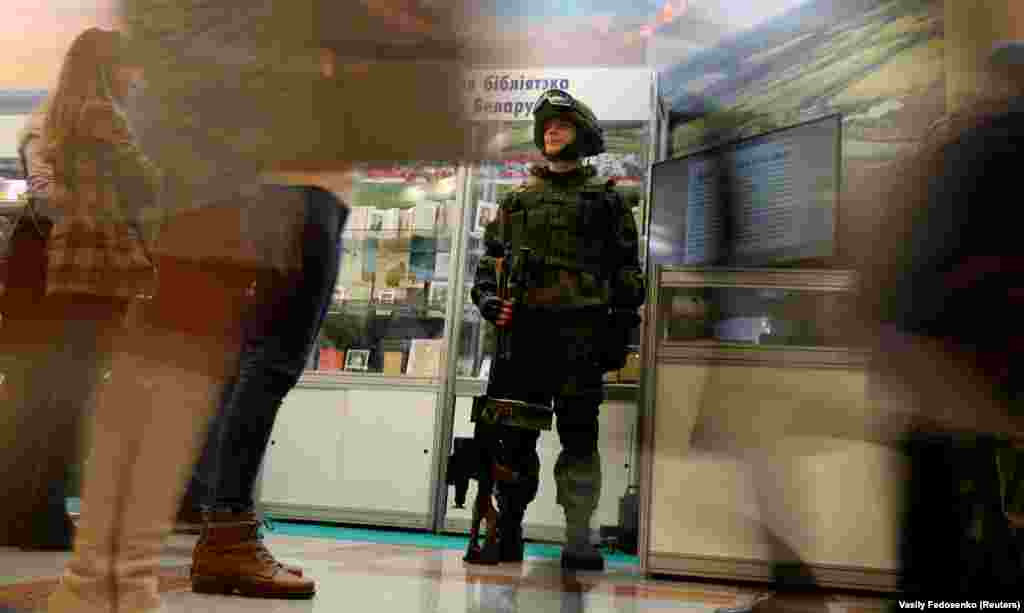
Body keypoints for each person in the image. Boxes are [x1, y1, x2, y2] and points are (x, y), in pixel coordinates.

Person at [470, 89, 645, 571]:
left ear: (583, 135)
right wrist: (490, 302)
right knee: (514, 441)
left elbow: (628, 274)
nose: (552, 131)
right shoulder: (517, 200)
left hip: (581, 337)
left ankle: (577, 536)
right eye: (547, 126)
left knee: (579, 439)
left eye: (563, 125)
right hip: (522, 338)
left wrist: (617, 337)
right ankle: (506, 530)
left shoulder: (607, 201)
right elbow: (488, 265)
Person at [181, 177, 346, 598]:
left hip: (277, 192)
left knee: (251, 362)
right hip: (304, 192)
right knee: (271, 363)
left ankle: (222, 528)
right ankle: (227, 535)